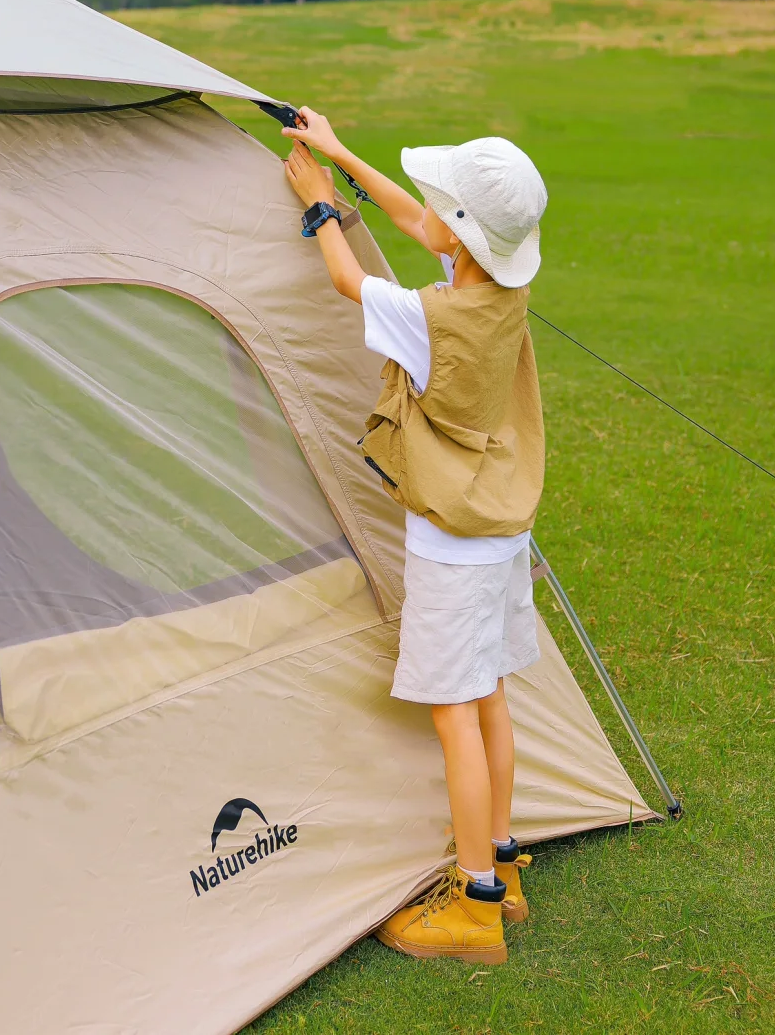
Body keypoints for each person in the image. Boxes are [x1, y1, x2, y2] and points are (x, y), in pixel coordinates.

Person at [282, 109, 547, 966]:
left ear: (461, 239)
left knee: (453, 717)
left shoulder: (430, 318)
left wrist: (320, 205)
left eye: (443, 205)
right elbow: (414, 220)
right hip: (503, 527)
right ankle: (502, 869)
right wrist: (340, 151)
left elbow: (346, 281)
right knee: (490, 695)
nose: (425, 210)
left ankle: (471, 906)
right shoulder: (498, 292)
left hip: (453, 543)